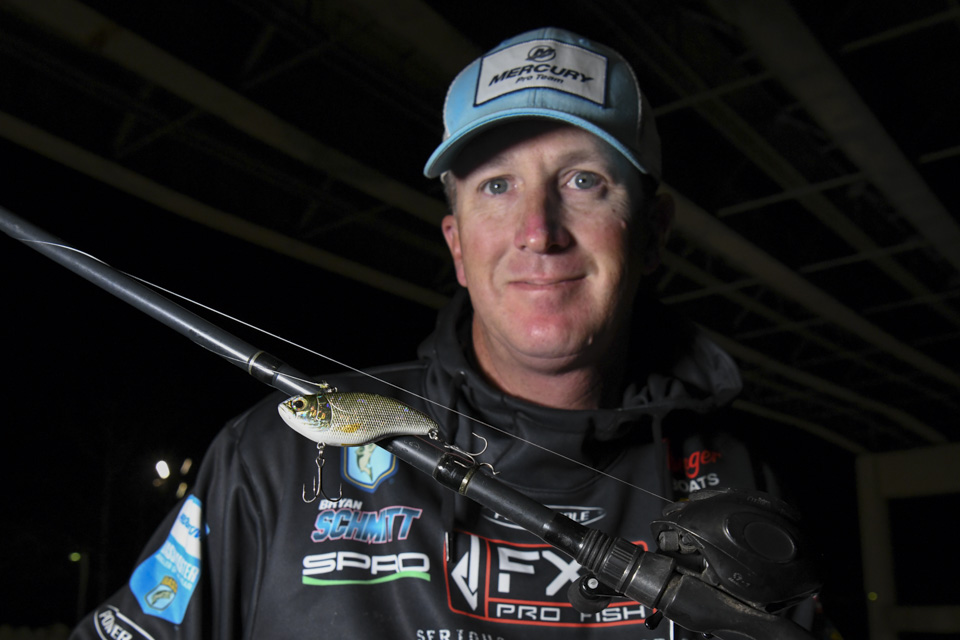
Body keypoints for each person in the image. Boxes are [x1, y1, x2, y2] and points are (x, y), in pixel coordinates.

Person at [71, 27, 815, 640]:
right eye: (497, 185)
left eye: (584, 180)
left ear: (652, 232)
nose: (538, 231)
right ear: (457, 245)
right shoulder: (271, 455)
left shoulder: (741, 479)